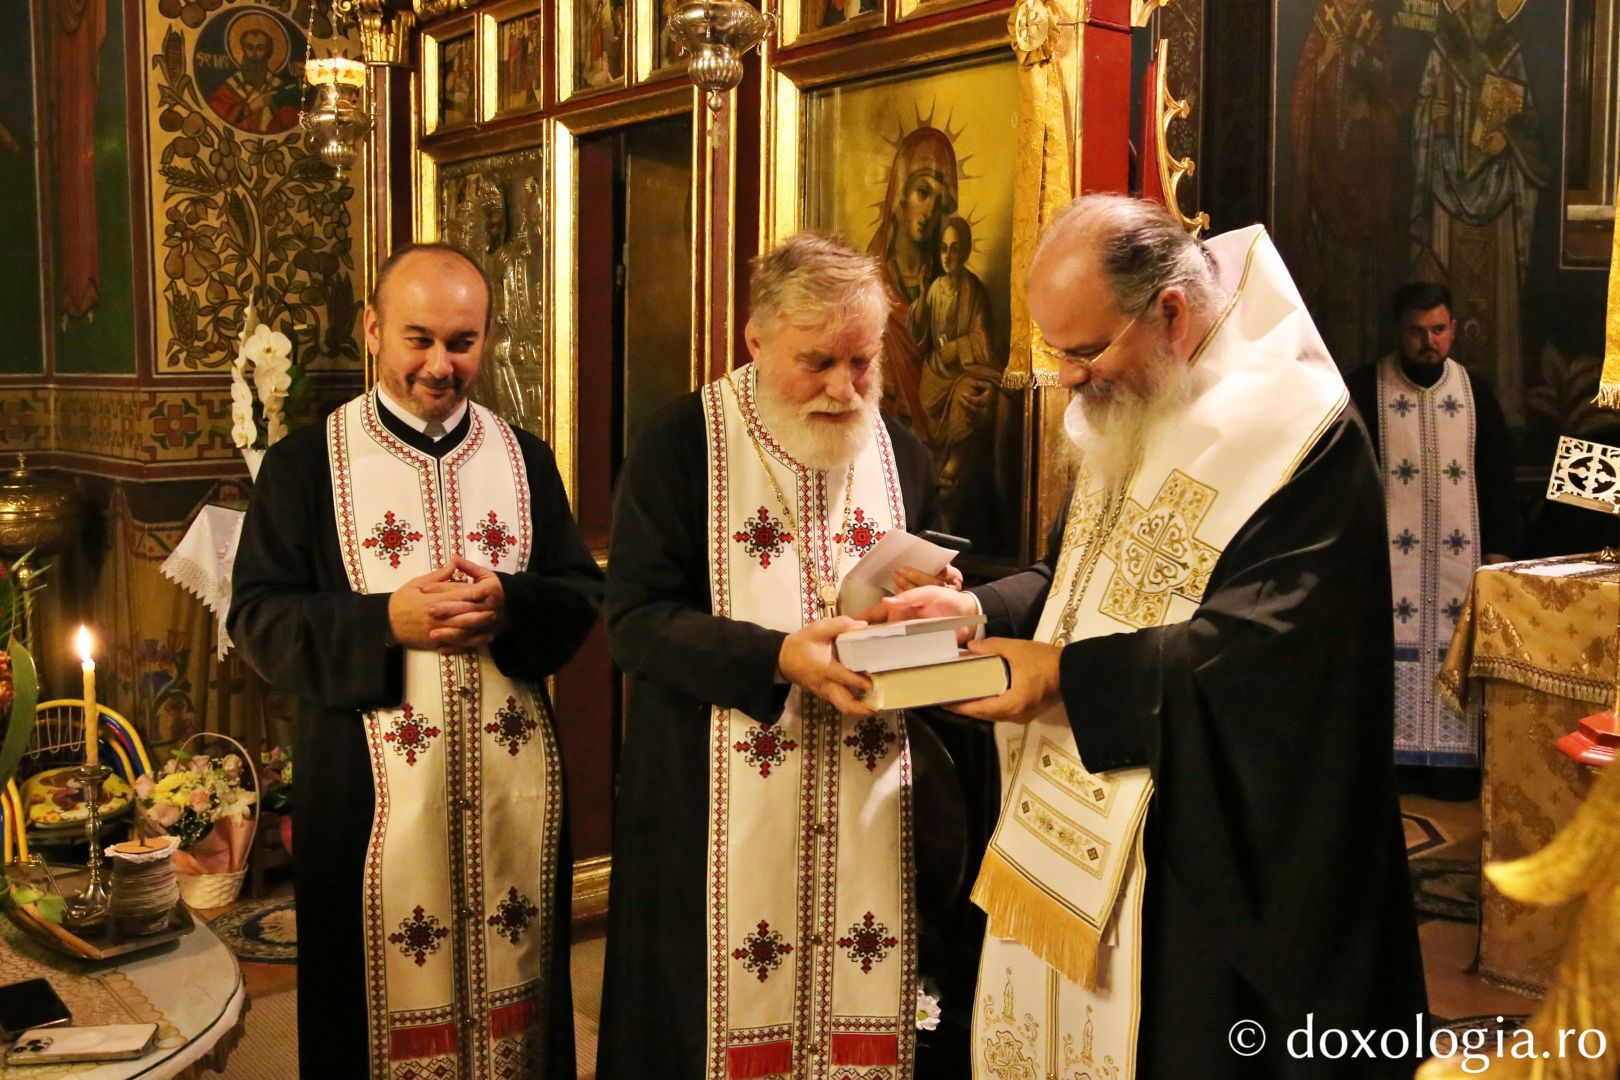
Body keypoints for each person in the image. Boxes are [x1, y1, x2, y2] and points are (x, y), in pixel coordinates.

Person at [872, 196, 1427, 1077]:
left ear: (1170, 311)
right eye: (1057, 351)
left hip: (1200, 854)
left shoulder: (1293, 429)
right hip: (1080, 818)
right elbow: (1077, 576)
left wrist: (1066, 678)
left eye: (1084, 351)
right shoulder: (1138, 395)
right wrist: (984, 613)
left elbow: (1271, 660)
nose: (1068, 378)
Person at [597, 230, 977, 1079]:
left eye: (863, 361)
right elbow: (634, 622)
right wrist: (778, 657)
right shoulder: (680, 447)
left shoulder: (901, 454)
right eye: (818, 363)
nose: (846, 390)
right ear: (757, 341)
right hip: (713, 801)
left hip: (872, 793)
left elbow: (930, 599)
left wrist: (933, 610)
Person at [229, 243, 602, 1079]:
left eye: (463, 342)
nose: (441, 364)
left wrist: (511, 602)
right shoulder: (305, 466)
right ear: (372, 329)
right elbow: (257, 619)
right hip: (368, 799)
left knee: (518, 1009)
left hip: (512, 790)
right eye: (419, 338)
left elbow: (579, 597)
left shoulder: (525, 458)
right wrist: (383, 620)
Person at [1346, 281, 1520, 795]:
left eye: (1439, 330)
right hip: (1385, 570)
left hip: (1461, 568)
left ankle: (1453, 769)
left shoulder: (1474, 394)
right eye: (1417, 331)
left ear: (1454, 328)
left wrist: (1499, 556)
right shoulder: (1364, 389)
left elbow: (1498, 477)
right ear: (1399, 330)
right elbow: (1346, 482)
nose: (1429, 341)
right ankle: (1392, 765)